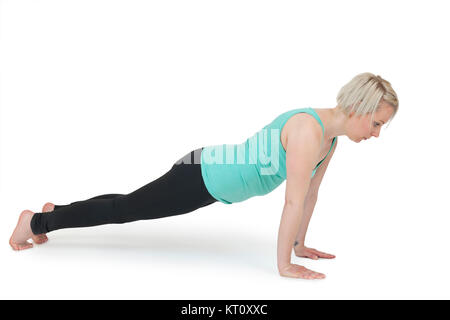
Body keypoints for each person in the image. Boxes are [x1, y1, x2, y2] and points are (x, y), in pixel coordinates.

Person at [9, 72, 399, 280]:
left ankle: (56, 210)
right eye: (378, 124)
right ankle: (37, 221)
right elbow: (293, 200)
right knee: (127, 209)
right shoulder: (307, 131)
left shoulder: (329, 141)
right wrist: (284, 266)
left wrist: (300, 245)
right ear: (361, 108)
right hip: (202, 175)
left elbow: (310, 197)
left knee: (128, 202)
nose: (377, 134)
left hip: (209, 178)